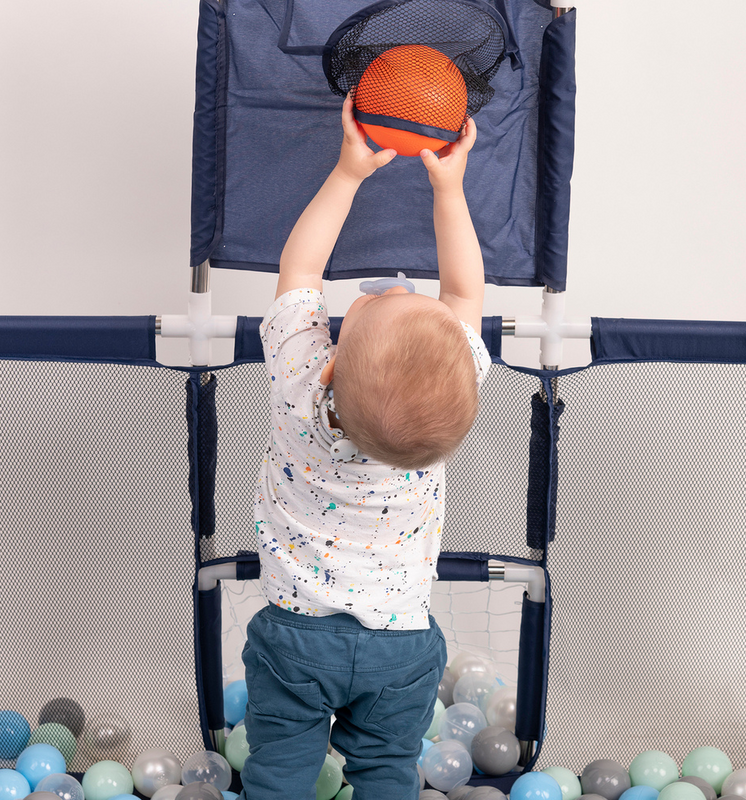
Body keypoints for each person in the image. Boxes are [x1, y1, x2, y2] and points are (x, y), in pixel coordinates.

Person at [238, 95, 491, 800]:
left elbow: (300, 273)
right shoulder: (437, 424)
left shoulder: (299, 392)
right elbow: (464, 291)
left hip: (295, 640)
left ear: (329, 361)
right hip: (402, 651)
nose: (399, 286)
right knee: (387, 773)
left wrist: (348, 174)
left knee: (279, 771)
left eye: (382, 300)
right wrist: (450, 186)